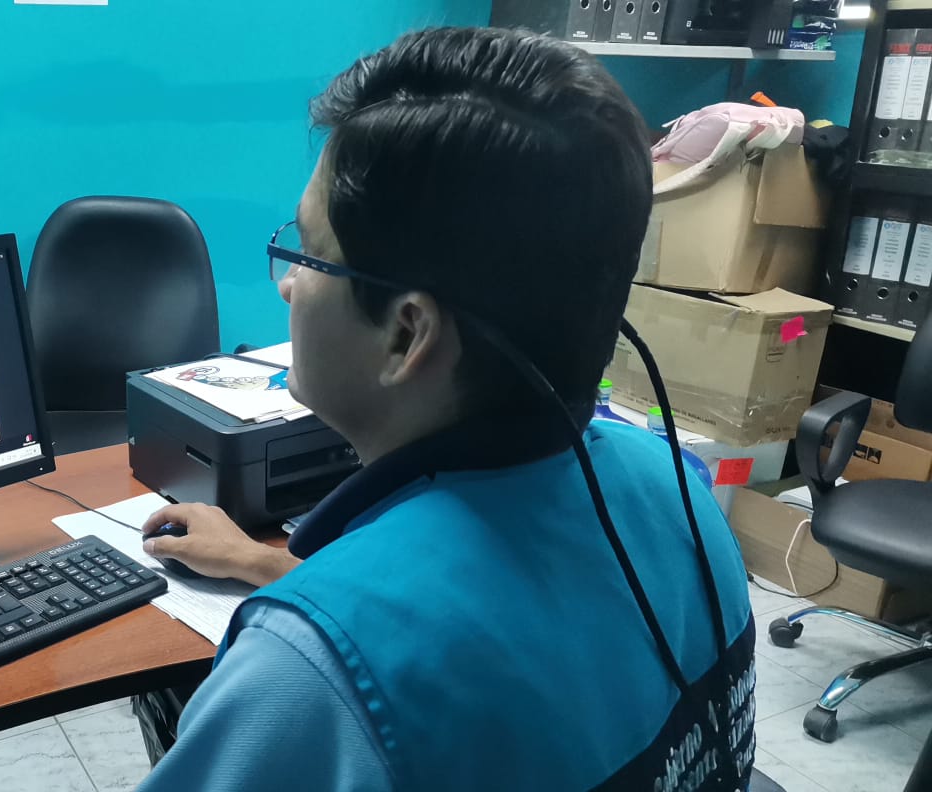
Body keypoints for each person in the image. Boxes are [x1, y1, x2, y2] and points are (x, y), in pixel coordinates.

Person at [135, 27, 756, 791]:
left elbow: (396, 655)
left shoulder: (306, 680)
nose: (288, 285)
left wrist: (321, 618)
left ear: (406, 335)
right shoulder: (677, 489)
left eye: (307, 252)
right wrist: (269, 566)